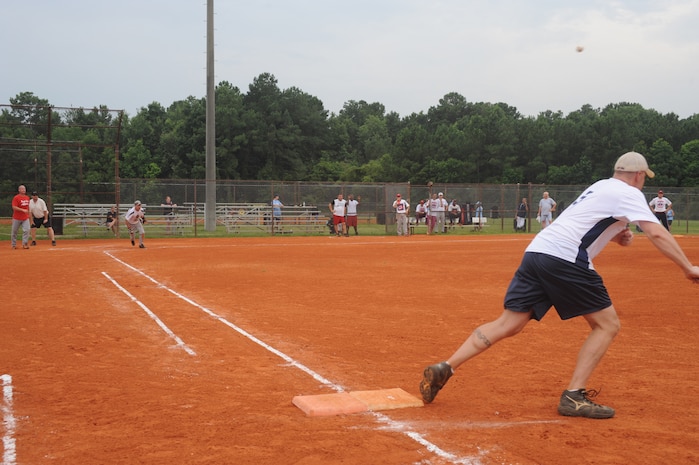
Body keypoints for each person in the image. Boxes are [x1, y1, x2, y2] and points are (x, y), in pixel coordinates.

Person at [418, 152, 699, 420]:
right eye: (644, 177)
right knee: (607, 324)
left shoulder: (601, 186)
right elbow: (656, 232)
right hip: (566, 258)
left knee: (509, 323)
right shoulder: (630, 193)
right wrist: (688, 268)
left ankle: (447, 366)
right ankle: (574, 396)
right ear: (638, 175)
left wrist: (616, 237)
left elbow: (581, 221)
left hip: (537, 252)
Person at [10, 185, 31, 249]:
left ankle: (25, 243)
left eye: (24, 189)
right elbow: (14, 207)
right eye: (22, 189)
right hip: (17, 217)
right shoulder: (16, 198)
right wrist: (22, 210)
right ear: (19, 190)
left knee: (27, 230)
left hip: (25, 217)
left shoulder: (27, 198)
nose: (24, 190)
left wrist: (29, 214)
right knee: (14, 231)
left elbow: (28, 207)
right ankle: (13, 244)